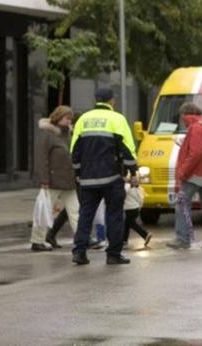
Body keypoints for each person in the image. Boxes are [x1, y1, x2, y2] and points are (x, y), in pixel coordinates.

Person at [70, 88, 137, 265]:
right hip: (111, 177)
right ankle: (113, 255)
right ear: (112, 101)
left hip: (87, 178)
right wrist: (133, 172)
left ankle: (79, 252)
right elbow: (127, 149)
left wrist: (78, 173)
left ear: (96, 99)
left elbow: (75, 151)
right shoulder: (118, 119)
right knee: (114, 215)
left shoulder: (83, 119)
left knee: (85, 215)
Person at [166, 102, 202, 251]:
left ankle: (182, 239)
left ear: (186, 115)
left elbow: (196, 152)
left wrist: (184, 171)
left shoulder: (195, 128)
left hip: (193, 174)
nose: (182, 121)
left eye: (182, 118)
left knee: (182, 204)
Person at [30, 105, 79, 252]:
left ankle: (82, 238)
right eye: (66, 118)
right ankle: (37, 240)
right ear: (58, 117)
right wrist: (44, 180)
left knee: (76, 211)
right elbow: (41, 158)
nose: (69, 121)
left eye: (70, 118)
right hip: (52, 181)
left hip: (68, 180)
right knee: (44, 210)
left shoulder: (69, 135)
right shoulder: (47, 135)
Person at [123, 176, 152, 247]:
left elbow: (123, 193)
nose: (134, 181)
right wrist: (140, 207)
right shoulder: (140, 188)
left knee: (132, 224)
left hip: (130, 209)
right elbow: (141, 199)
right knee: (126, 224)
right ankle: (124, 240)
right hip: (135, 209)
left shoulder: (127, 186)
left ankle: (145, 234)